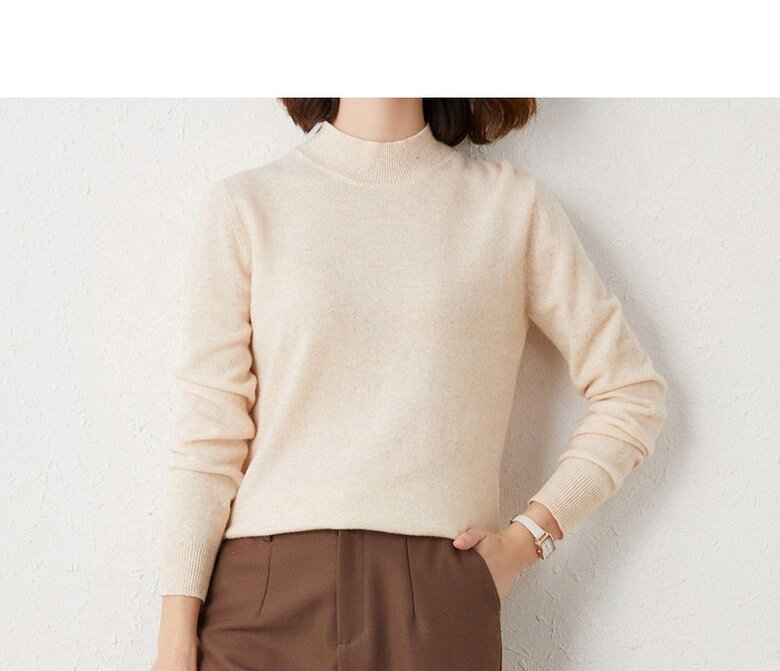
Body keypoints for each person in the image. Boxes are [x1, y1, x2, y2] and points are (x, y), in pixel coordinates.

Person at [151, 98, 668, 671]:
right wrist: (175, 639)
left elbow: (631, 392)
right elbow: (210, 435)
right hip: (259, 600)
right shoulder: (245, 206)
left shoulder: (510, 208)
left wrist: (527, 540)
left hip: (438, 602)